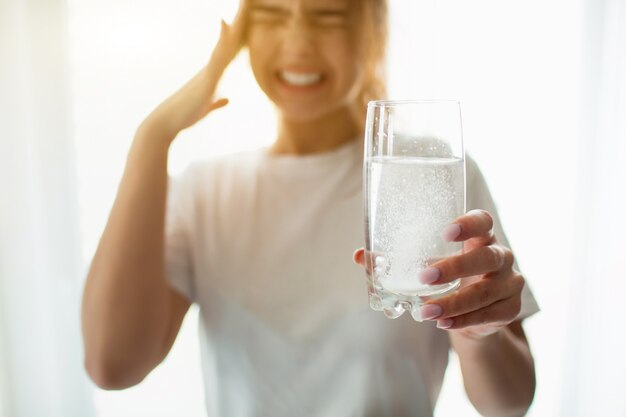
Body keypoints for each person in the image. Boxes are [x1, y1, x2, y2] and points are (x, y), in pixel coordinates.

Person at [81, 0, 539, 415]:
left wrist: (479, 334)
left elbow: (511, 402)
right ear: (241, 34)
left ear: (373, 29)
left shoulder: (429, 172)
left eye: (328, 15)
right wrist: (152, 137)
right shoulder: (204, 191)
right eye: (272, 14)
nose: (298, 42)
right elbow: (113, 365)